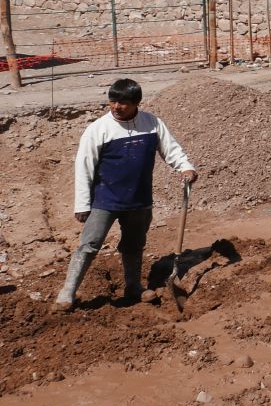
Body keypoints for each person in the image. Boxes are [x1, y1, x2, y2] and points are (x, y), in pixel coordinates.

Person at [54, 78, 197, 311]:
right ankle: (67, 292)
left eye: (123, 103)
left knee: (134, 244)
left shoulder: (152, 123)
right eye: (112, 101)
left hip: (139, 200)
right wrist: (82, 204)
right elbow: (84, 167)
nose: (116, 107)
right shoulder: (98, 129)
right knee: (89, 244)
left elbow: (171, 150)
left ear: (136, 103)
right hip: (105, 200)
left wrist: (185, 167)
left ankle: (133, 287)